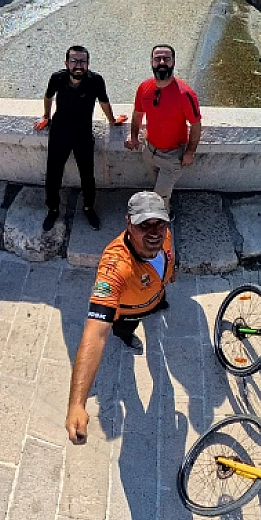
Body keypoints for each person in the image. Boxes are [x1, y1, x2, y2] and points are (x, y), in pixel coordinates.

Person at [66, 192, 177, 444]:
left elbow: (169, 255)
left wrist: (171, 274)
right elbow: (95, 333)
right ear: (128, 223)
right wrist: (77, 403)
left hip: (156, 295)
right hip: (128, 313)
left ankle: (157, 305)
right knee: (125, 330)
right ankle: (127, 338)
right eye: (144, 225)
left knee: (159, 304)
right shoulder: (114, 267)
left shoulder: (165, 235)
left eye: (159, 223)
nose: (154, 232)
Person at [37, 46, 121, 230]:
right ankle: (52, 209)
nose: (78, 65)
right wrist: (46, 116)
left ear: (88, 63)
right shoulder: (57, 78)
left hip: (83, 133)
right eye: (74, 61)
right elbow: (48, 96)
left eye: (82, 61)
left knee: (87, 175)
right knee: (53, 174)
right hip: (59, 132)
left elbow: (104, 102)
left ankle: (88, 207)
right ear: (66, 63)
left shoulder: (96, 80)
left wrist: (113, 121)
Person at [124, 44, 202, 205]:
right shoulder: (144, 88)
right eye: (157, 59)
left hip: (172, 156)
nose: (161, 62)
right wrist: (134, 136)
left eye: (166, 59)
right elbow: (138, 113)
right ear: (151, 62)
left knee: (159, 199)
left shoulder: (185, 94)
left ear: (173, 62)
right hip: (149, 150)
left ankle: (164, 216)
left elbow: (196, 125)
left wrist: (190, 152)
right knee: (158, 189)